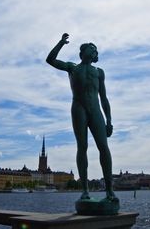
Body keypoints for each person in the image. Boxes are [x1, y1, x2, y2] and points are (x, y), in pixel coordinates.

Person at [46, 33, 116, 200]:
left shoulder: (99, 72)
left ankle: (109, 190)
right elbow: (50, 60)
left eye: (95, 50)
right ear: (83, 52)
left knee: (103, 147)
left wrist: (109, 120)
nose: (93, 51)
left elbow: (104, 98)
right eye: (91, 48)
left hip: (96, 110)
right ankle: (85, 190)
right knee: (82, 147)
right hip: (78, 108)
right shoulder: (72, 67)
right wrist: (61, 43)